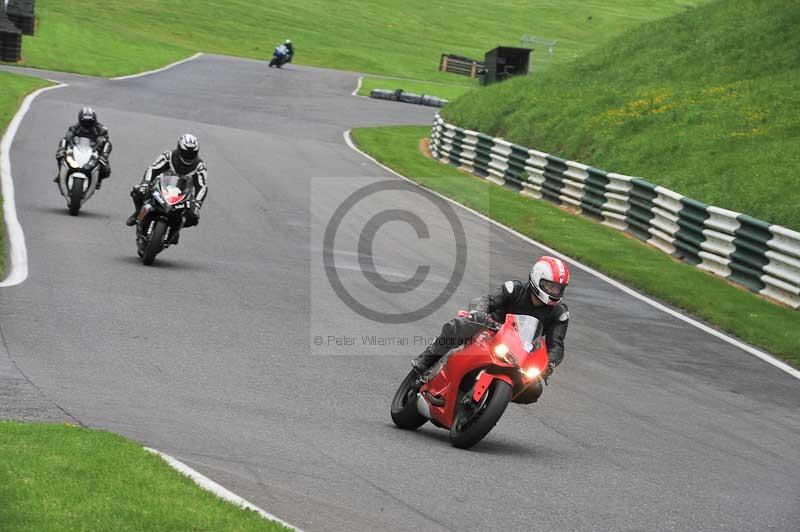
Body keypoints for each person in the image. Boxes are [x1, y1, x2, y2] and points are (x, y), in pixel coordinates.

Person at [412, 256, 571, 378]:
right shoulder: (514, 289)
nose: (554, 292)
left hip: (520, 352)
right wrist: (479, 312)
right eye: (550, 286)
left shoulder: (559, 313)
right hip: (491, 330)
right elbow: (486, 301)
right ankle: (427, 359)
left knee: (533, 390)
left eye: (559, 288)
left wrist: (549, 363)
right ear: (537, 279)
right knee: (460, 326)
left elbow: (556, 345)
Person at [125, 134, 208, 230]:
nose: (188, 156)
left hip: (184, 195)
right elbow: (153, 169)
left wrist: (197, 203)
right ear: (179, 149)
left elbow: (202, 187)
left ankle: (176, 229)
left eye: (192, 153)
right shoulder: (169, 155)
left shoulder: (200, 166)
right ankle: (138, 213)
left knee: (194, 217)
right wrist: (146, 183)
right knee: (138, 191)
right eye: (186, 153)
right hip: (162, 186)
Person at [55, 107, 112, 189]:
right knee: (60, 156)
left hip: (94, 152)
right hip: (77, 150)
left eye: (89, 121)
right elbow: (67, 137)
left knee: (106, 170)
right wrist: (63, 149)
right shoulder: (75, 127)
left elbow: (107, 143)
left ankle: (98, 181)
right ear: (80, 120)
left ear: (94, 120)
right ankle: (60, 174)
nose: (87, 124)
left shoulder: (101, 129)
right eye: (85, 121)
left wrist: (104, 155)